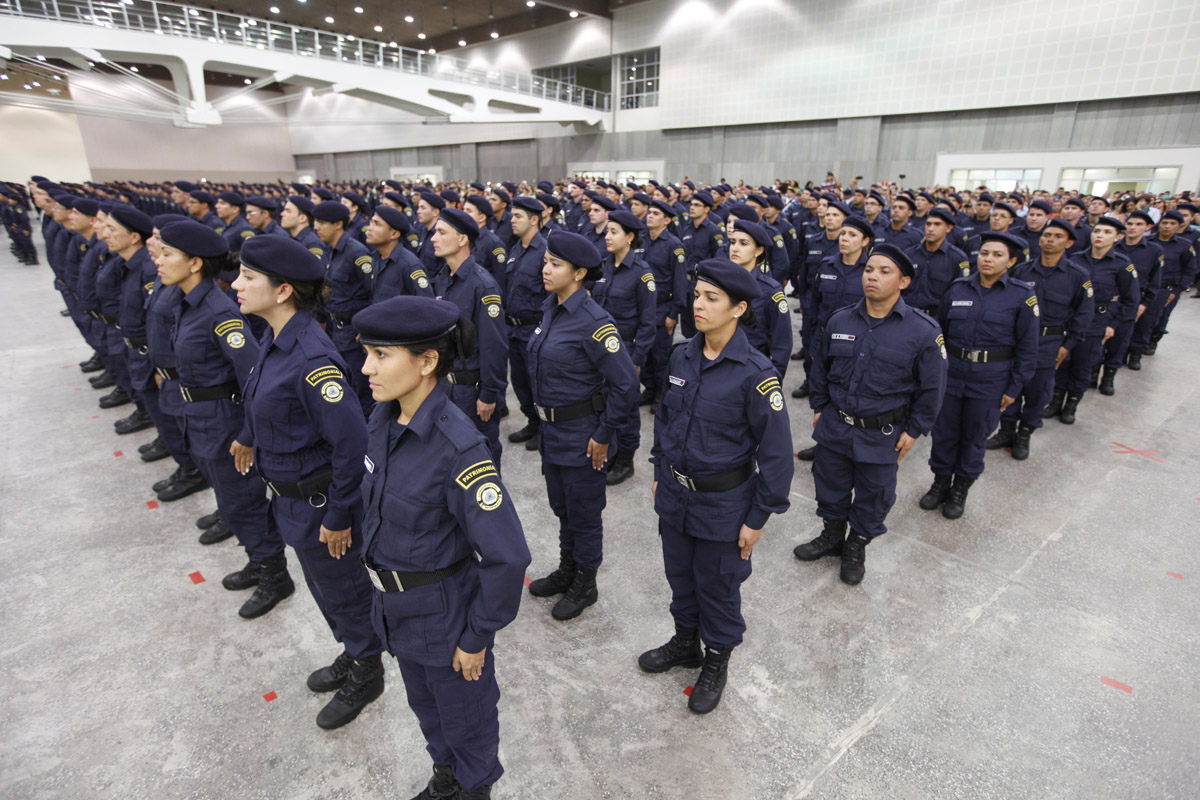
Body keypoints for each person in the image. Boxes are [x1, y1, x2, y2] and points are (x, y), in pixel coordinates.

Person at [351, 296, 529, 800]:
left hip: (446, 619)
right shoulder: (383, 419)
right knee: (428, 714)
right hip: (398, 609)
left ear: (427, 361)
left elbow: (508, 555)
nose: (367, 368)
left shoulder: (459, 448)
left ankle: (472, 789)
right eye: (368, 354)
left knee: (468, 725)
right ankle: (445, 779)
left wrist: (477, 636)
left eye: (381, 355)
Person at [231, 235, 386, 731]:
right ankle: (352, 649)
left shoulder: (314, 360)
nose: (236, 284)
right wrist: (247, 436)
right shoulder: (273, 339)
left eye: (249, 277)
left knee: (344, 590)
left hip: (321, 503)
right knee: (323, 590)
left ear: (282, 292)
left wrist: (340, 515)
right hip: (290, 500)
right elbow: (263, 398)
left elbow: (352, 444)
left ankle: (368, 667)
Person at [641, 258, 793, 714]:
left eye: (712, 298)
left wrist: (758, 517)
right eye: (697, 295)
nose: (698, 305)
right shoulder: (681, 354)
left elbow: (777, 454)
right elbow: (665, 418)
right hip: (675, 493)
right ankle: (686, 642)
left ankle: (716, 660)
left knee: (719, 586)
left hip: (725, 504)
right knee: (680, 578)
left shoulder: (755, 372)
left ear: (739, 309)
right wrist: (656, 469)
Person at [155, 220, 290, 601]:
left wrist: (247, 436)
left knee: (243, 502)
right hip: (200, 418)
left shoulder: (220, 314)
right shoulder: (187, 305)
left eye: (168, 254)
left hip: (225, 425)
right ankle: (257, 557)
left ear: (195, 263)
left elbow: (253, 377)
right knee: (230, 501)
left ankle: (274, 575)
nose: (160, 261)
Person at [796, 244, 946, 583]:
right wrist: (819, 406)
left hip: (883, 432)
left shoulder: (923, 331)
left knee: (875, 495)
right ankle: (832, 535)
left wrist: (915, 429)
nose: (872, 277)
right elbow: (820, 367)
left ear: (904, 281)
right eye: (868, 270)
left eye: (884, 272)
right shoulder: (840, 319)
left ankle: (856, 545)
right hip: (835, 425)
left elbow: (932, 387)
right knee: (829, 485)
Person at [524, 231, 639, 621]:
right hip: (552, 433)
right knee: (563, 508)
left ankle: (585, 582)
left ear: (579, 273)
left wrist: (605, 435)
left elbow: (626, 385)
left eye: (555, 264)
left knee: (585, 512)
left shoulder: (594, 322)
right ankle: (568, 568)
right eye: (546, 261)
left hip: (582, 435)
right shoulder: (551, 308)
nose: (546, 269)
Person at [919, 232, 1038, 519]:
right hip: (954, 373)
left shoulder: (1022, 296)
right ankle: (940, 483)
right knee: (944, 432)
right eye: (984, 253)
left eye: (997, 255)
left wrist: (1015, 386)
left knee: (974, 435)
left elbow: (1028, 346)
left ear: (1010, 261)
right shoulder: (958, 289)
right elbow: (940, 335)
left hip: (991, 378)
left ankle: (960, 488)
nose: (988, 259)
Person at [986, 220, 1093, 460]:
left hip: (1049, 343)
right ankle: (1007, 430)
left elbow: (1084, 313)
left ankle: (1024, 435)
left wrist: (1068, 346)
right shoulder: (1022, 271)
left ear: (1069, 243)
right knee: (1011, 387)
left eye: (1057, 236)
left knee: (1038, 393)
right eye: (1046, 235)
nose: (1050, 240)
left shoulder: (1077, 276)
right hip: (1015, 342)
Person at [429, 208, 509, 465]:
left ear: (463, 239)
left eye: (441, 232)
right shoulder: (443, 279)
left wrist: (489, 394)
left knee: (479, 456)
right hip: (445, 384)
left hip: (471, 390)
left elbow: (494, 346)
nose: (433, 237)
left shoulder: (482, 285)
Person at [1045, 217, 1139, 422]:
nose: (1100, 236)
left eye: (1107, 232)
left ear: (1117, 237)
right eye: (1097, 231)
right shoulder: (1076, 259)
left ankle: (1071, 405)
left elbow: (1131, 300)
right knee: (1062, 361)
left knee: (1083, 364)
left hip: (1098, 320)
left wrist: (1112, 325)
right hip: (1070, 318)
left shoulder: (1122, 264)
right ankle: (1055, 402)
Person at [592, 210, 656, 485]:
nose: (607, 236)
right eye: (607, 231)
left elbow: (648, 323)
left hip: (627, 349)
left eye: (614, 232)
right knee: (603, 401)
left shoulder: (642, 274)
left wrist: (637, 358)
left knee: (626, 405)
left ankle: (626, 459)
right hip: (601, 349)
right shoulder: (603, 266)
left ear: (630, 237)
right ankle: (610, 451)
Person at [313, 200, 376, 414]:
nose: (316, 227)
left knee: (362, 392)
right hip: (335, 331)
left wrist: (367, 327)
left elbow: (374, 292)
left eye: (322, 222)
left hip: (354, 334)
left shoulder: (356, 253)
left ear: (338, 224)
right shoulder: (329, 251)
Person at [502, 197, 549, 450]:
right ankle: (532, 422)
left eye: (518, 216)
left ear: (534, 220)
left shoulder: (545, 252)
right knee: (519, 381)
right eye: (512, 216)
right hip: (514, 329)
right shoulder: (516, 249)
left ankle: (544, 428)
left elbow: (552, 295)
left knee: (537, 382)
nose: (512, 220)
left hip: (535, 329)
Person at [726, 219, 793, 377]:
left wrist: (773, 379)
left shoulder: (770, 291)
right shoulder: (721, 285)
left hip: (752, 369)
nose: (735, 248)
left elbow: (782, 343)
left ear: (758, 250)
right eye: (732, 242)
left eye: (744, 243)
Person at [639, 200, 688, 408]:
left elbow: (680, 282)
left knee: (660, 354)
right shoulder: (641, 241)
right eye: (649, 212)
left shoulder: (674, 245)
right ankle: (649, 388)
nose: (649, 216)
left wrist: (673, 313)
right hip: (642, 308)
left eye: (655, 213)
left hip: (662, 308)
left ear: (666, 220)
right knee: (644, 353)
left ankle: (661, 390)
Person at [905, 207, 970, 314]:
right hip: (909, 314)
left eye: (937, 224)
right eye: (928, 224)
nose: (931, 228)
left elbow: (959, 294)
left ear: (948, 228)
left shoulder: (957, 258)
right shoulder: (910, 254)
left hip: (937, 317)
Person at [365, 206, 435, 302]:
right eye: (371, 222)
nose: (369, 228)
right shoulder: (377, 257)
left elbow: (427, 304)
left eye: (377, 224)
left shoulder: (409, 266)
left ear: (394, 234)